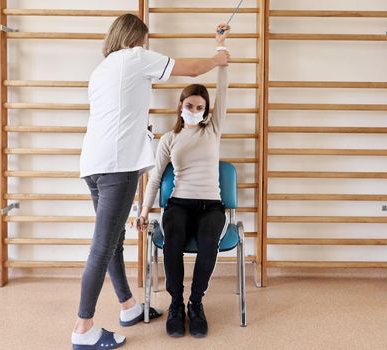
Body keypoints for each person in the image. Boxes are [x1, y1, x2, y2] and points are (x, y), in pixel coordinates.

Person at [72, 14, 230, 350]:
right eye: (144, 40)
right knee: (102, 247)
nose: (146, 45)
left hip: (94, 164)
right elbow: (190, 70)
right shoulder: (135, 57)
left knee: (112, 242)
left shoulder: (102, 70)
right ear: (137, 38)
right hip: (118, 166)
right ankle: (83, 329)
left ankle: (128, 307)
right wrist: (218, 57)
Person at [135, 23, 231, 339]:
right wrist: (143, 210)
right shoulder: (169, 139)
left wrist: (220, 46)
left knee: (208, 244)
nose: (194, 110)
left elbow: (223, 84)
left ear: (206, 112)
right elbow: (154, 178)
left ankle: (196, 303)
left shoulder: (212, 130)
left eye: (199, 107)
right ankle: (176, 303)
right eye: (189, 105)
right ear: (181, 106)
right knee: (172, 240)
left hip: (211, 207)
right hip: (179, 204)